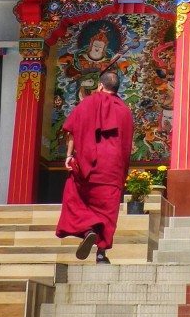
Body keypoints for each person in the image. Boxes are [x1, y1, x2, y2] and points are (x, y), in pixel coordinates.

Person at [55, 69, 134, 264]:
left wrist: (68, 155)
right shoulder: (125, 111)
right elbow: (127, 144)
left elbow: (71, 131)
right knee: (108, 209)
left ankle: (88, 228)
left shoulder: (88, 102)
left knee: (74, 196)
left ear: (100, 86)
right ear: (117, 89)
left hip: (90, 164)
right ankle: (101, 253)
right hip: (113, 167)